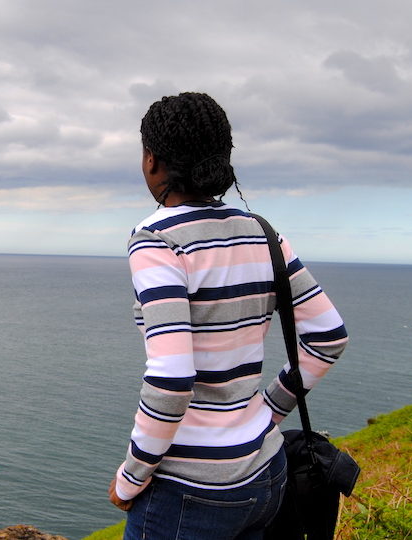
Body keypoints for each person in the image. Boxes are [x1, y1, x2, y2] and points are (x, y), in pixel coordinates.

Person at [109, 92, 349, 540]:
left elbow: (172, 377)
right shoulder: (264, 233)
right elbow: (328, 337)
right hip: (267, 472)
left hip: (191, 489)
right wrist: (267, 412)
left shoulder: (157, 240)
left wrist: (133, 476)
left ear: (151, 160)